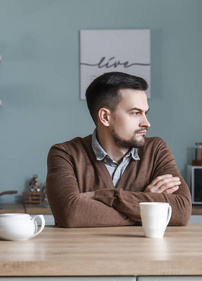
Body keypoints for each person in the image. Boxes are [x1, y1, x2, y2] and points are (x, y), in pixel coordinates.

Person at [46, 72, 191, 228]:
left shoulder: (156, 150)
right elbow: (71, 214)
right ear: (105, 117)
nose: (146, 123)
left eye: (145, 113)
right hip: (85, 252)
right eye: (136, 113)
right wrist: (149, 206)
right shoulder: (65, 154)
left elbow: (181, 211)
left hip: (144, 253)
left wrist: (104, 196)